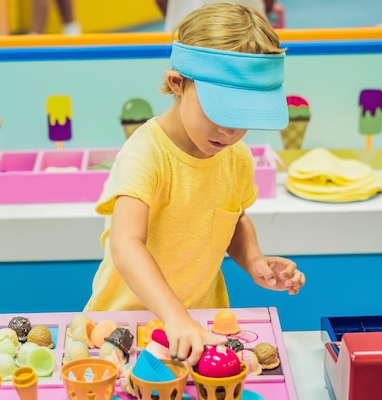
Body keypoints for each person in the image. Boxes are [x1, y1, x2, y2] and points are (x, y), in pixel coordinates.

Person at [84, 2, 305, 366]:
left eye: (244, 117)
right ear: (177, 84)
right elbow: (126, 243)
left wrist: (253, 260)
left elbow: (232, 219)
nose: (229, 131)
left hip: (199, 327)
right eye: (220, 111)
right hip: (126, 328)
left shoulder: (236, 156)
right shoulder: (146, 153)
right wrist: (173, 315)